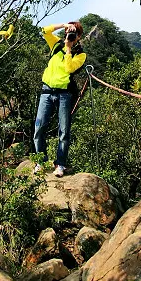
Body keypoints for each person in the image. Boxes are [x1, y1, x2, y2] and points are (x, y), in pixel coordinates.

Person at [33, 21, 86, 177]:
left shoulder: (80, 54)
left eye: (74, 32)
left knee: (64, 131)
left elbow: (70, 68)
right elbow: (44, 31)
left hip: (64, 94)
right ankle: (40, 162)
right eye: (70, 31)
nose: (70, 34)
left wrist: (69, 49)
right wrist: (63, 25)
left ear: (79, 36)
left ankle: (60, 164)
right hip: (46, 92)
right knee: (39, 128)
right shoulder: (56, 45)